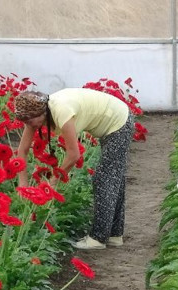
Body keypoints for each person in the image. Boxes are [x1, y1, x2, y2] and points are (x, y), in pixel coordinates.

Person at [13, 88, 134, 250]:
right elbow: (22, 150)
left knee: (104, 179)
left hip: (119, 122)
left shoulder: (61, 111)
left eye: (29, 121)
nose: (27, 125)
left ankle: (98, 239)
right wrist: (23, 184)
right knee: (113, 179)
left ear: (41, 113)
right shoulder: (37, 112)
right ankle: (114, 235)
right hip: (116, 120)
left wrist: (53, 181)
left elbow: (73, 154)